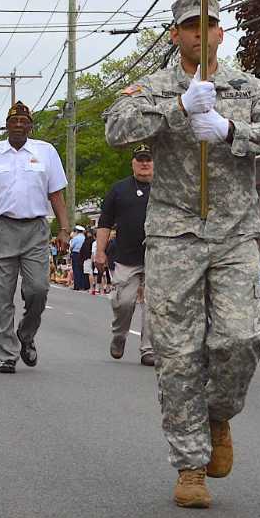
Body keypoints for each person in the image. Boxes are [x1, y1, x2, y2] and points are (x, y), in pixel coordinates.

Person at [103, 0, 260, 509]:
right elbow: (114, 129)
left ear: (220, 32)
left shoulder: (244, 85)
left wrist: (233, 130)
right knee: (177, 352)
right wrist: (177, 110)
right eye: (189, 26)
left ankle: (218, 415)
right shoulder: (155, 86)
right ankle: (190, 464)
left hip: (235, 231)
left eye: (207, 25)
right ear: (175, 34)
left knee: (239, 339)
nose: (199, 33)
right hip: (173, 235)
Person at [0, 100, 70, 373]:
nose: (18, 126)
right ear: (6, 126)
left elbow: (56, 195)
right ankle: (8, 354)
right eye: (13, 122)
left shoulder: (46, 152)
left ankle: (26, 334)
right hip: (0, 228)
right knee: (3, 295)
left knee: (38, 290)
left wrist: (64, 228)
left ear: (30, 126)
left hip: (35, 230)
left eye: (23, 122)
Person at [94, 146, 157, 366]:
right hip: (126, 256)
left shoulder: (165, 188)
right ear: (133, 163)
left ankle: (148, 349)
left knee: (154, 304)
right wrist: (100, 252)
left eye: (148, 160)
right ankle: (119, 335)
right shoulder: (119, 189)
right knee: (125, 302)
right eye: (140, 160)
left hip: (157, 257)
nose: (144, 164)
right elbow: (104, 222)